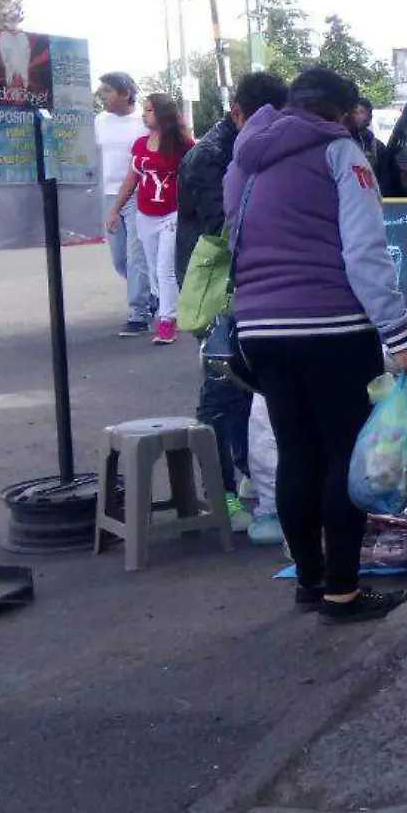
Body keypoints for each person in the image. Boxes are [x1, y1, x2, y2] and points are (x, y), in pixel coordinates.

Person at [225, 67, 407, 624]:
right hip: (333, 325)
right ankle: (342, 590)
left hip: (260, 329)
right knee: (342, 455)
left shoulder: (244, 158)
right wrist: (398, 333)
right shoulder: (342, 154)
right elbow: (364, 253)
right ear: (337, 111)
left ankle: (308, 581)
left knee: (297, 452)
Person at [176, 70, 290, 540]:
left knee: (252, 386)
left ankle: (248, 471)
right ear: (237, 113)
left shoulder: (259, 149)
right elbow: (224, 228)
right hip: (214, 286)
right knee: (221, 388)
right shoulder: (210, 156)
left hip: (252, 283)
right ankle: (217, 486)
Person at [106, 94, 193, 345]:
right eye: (144, 110)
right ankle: (167, 307)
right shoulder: (140, 145)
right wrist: (115, 209)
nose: (144, 115)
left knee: (165, 268)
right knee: (154, 269)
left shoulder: (183, 146)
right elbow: (131, 180)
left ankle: (168, 320)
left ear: (163, 114)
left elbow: (195, 175)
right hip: (146, 214)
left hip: (172, 214)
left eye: (150, 110)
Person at [96, 72, 156, 336]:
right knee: (119, 258)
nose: (102, 96)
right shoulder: (99, 121)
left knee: (136, 256)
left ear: (125, 94)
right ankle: (151, 296)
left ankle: (139, 312)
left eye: (108, 90)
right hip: (108, 194)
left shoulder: (143, 122)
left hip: (137, 193)